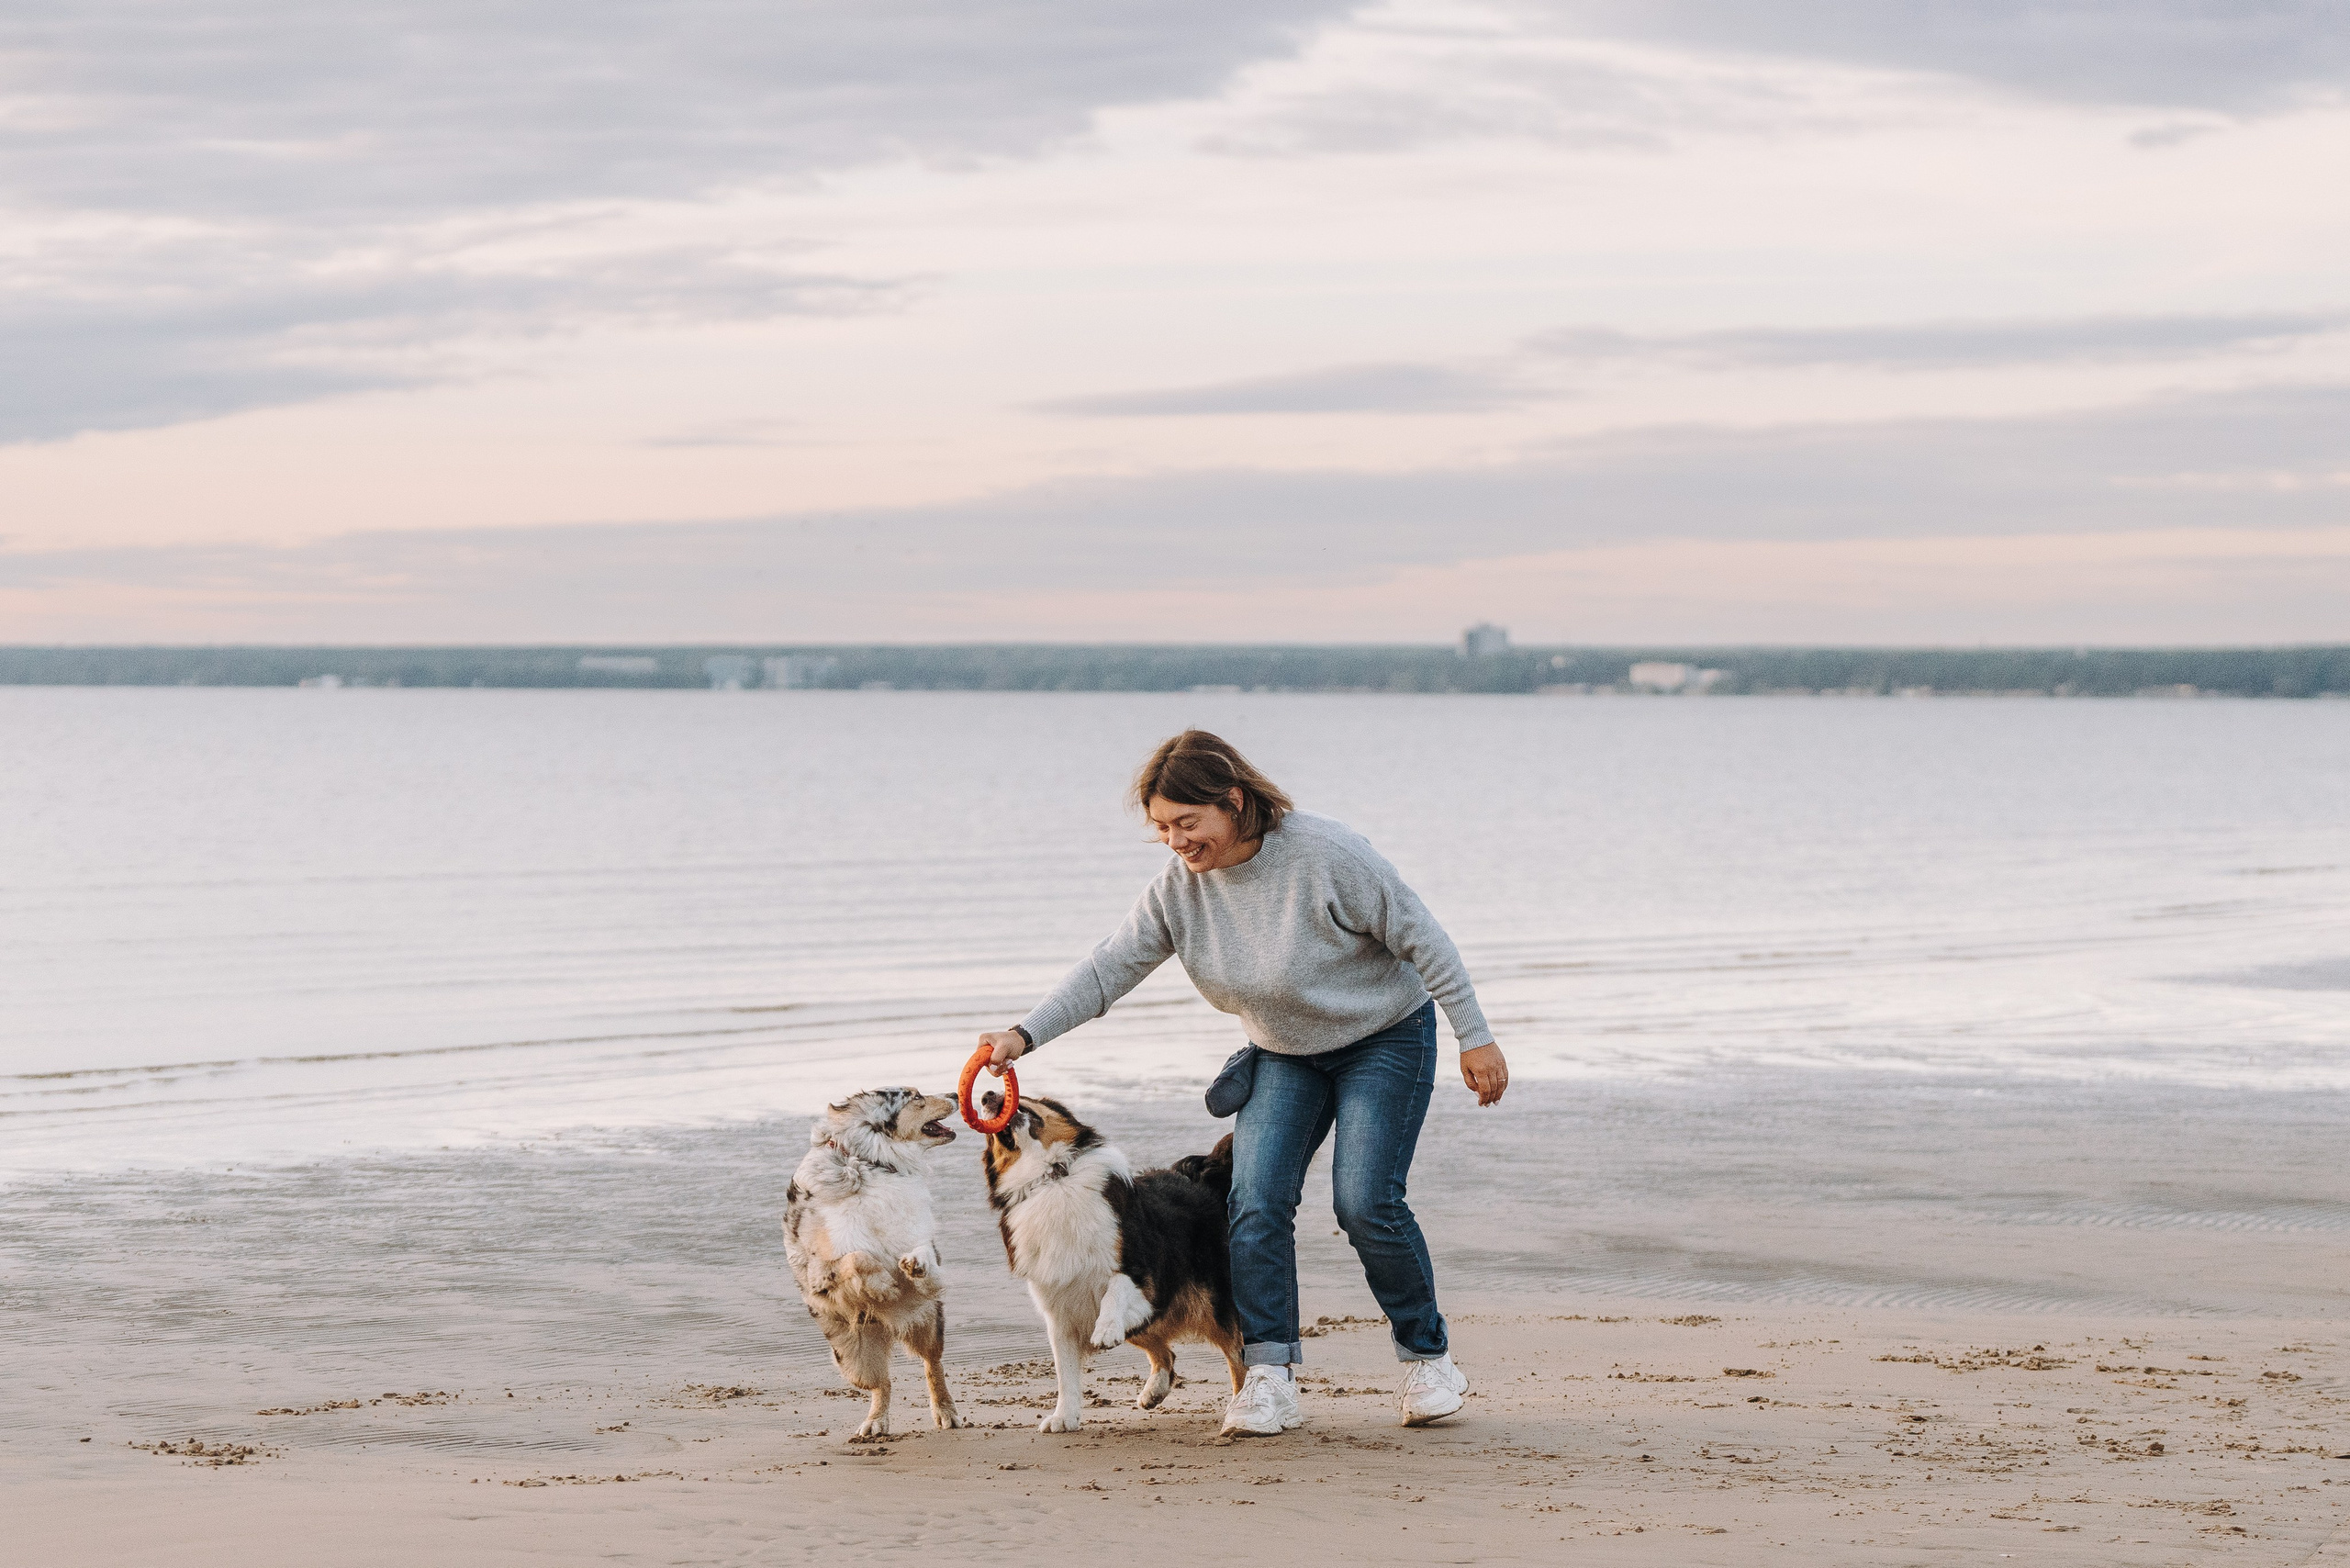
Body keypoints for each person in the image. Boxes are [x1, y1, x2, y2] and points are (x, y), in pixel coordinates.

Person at [977, 729, 1509, 1436]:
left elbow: (1423, 937)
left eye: (1186, 823)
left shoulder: (1326, 855)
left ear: (1232, 802)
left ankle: (1426, 1358)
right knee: (1253, 1200)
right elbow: (1108, 969)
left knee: (1365, 1202)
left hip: (1384, 1039)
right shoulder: (1178, 890)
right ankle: (1268, 1375)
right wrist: (1023, 1035)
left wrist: (1474, 1035)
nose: (1175, 841)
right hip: (1284, 1053)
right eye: (1162, 828)